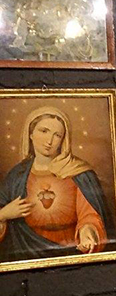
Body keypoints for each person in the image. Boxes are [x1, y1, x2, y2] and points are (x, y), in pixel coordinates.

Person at [0, 106, 109, 260]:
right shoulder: (16, 176)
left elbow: (89, 215)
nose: (49, 141)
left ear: (63, 139)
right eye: (44, 131)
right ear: (30, 133)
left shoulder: (78, 173)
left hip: (70, 252)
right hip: (26, 254)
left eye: (57, 135)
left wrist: (88, 232)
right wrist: (4, 214)